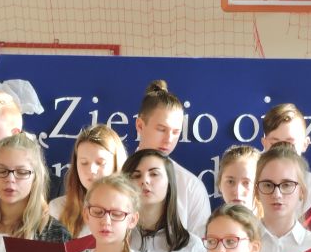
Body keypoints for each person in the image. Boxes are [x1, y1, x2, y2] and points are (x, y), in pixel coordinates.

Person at [133, 80, 211, 236]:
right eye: (161, 129)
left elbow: (202, 248)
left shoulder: (191, 187)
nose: (169, 139)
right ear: (140, 126)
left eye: (176, 132)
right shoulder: (116, 177)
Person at [261, 103, 311, 232]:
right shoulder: (249, 187)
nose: (282, 150)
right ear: (264, 144)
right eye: (275, 143)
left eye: (290, 143)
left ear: (305, 144)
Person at [50, 124, 128, 238]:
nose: (91, 170)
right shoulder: (57, 208)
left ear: (116, 165)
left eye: (100, 162)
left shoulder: (131, 209)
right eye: (84, 163)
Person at [217, 145, 261, 213]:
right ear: (219, 184)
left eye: (246, 182)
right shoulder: (214, 220)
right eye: (230, 181)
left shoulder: (273, 219)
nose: (237, 191)